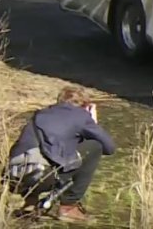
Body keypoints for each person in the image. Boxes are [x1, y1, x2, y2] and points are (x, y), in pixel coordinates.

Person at [6, 86, 116, 222]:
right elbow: (109, 148)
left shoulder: (39, 114)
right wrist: (92, 121)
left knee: (41, 155)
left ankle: (30, 202)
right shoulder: (81, 116)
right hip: (42, 177)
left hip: (13, 177)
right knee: (95, 146)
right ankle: (68, 206)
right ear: (86, 105)